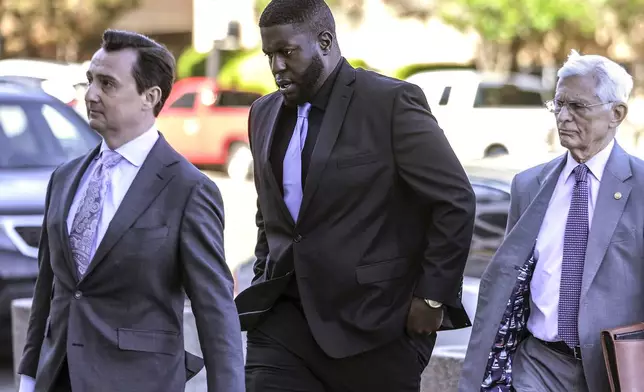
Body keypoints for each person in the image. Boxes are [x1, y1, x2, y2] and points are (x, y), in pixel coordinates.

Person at [234, 1, 476, 390]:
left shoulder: (390, 103)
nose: (276, 66)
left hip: (376, 326)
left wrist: (432, 297)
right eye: (269, 55)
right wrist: (264, 273)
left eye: (287, 52)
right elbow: (271, 212)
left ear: (325, 41)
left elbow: (454, 200)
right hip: (282, 327)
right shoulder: (262, 113)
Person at [16, 29, 244, 392]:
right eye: (91, 80)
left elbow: (216, 313)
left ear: (149, 97)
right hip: (58, 378)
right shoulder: (65, 178)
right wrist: (29, 377)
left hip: (140, 381)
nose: (90, 94)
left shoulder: (189, 189)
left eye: (107, 84)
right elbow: (49, 290)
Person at [459, 50, 644, 392]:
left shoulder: (641, 185)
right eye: (558, 105)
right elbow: (511, 279)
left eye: (578, 106)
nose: (563, 116)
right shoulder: (529, 185)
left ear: (616, 114)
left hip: (617, 368)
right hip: (540, 363)